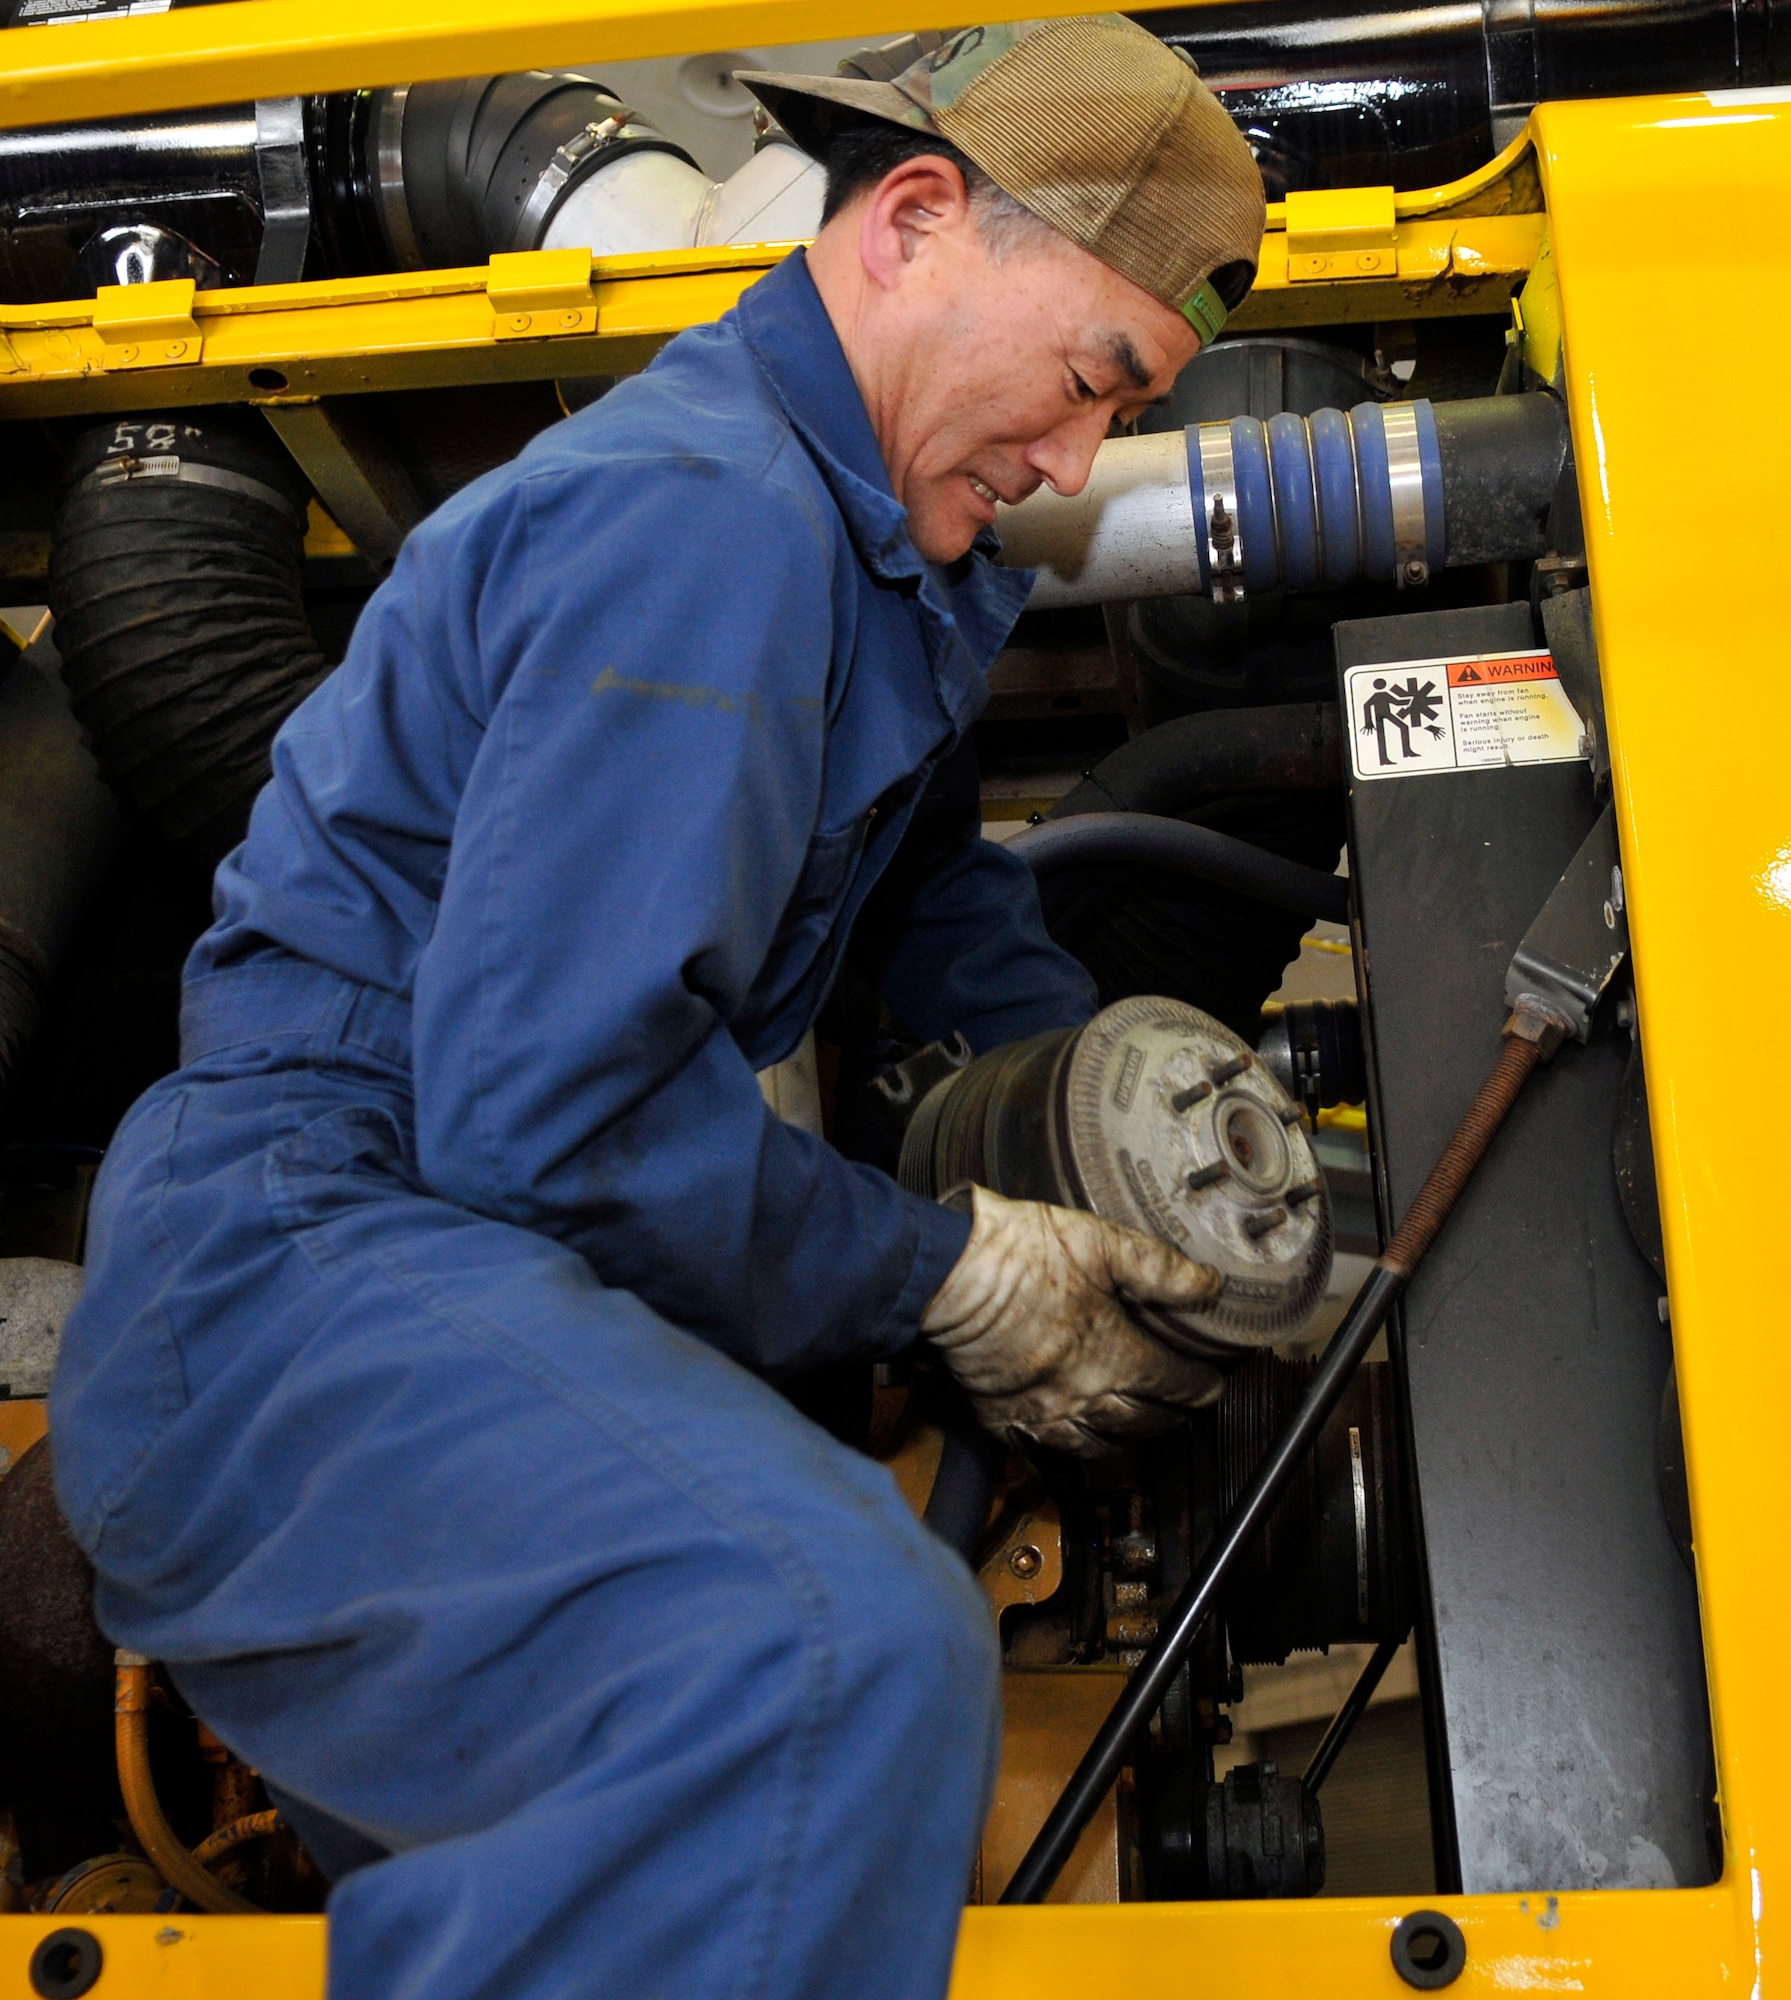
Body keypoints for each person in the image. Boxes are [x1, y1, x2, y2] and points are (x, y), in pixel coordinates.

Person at [51, 19, 1265, 2000]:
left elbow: (936, 902)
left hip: (420, 1271)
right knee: (828, 1645)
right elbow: (554, 1110)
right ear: (912, 223)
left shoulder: (865, 559)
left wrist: (1089, 1121)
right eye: (1086, 377)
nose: (1073, 460)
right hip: (305, 1265)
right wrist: (946, 1270)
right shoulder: (709, 514)